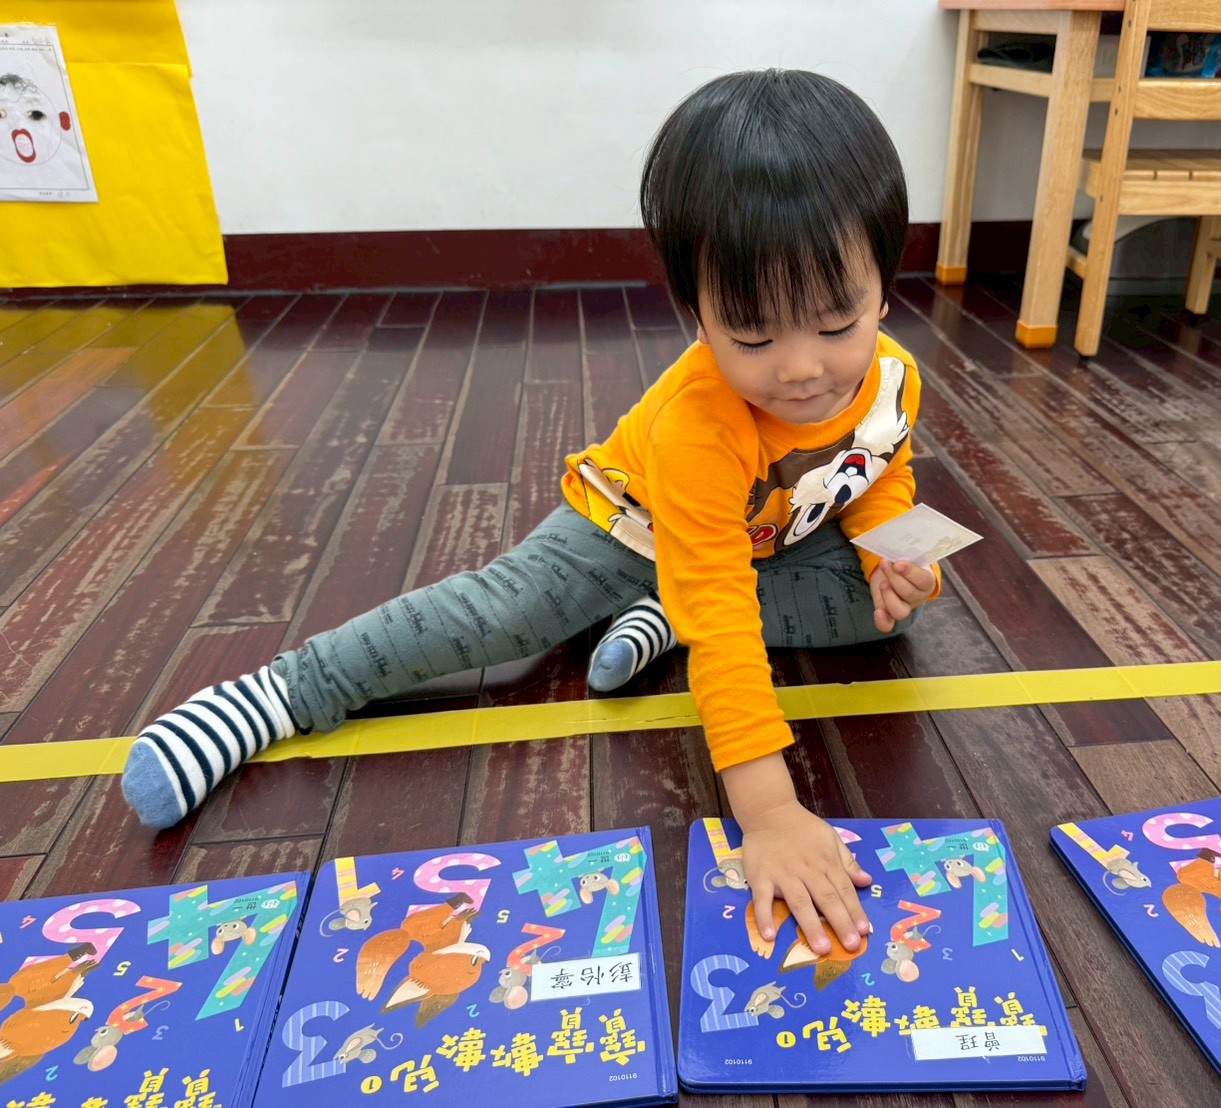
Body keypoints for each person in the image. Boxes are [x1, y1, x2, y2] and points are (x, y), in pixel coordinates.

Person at [122, 68, 939, 960]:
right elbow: (724, 611)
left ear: (881, 285)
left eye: (834, 324)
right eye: (752, 336)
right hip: (627, 529)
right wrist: (770, 811)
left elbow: (876, 471)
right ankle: (279, 694)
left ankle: (661, 618)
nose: (800, 367)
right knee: (504, 618)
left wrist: (887, 559)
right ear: (695, 315)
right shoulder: (699, 425)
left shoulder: (892, 374)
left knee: (888, 611)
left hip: (755, 540)